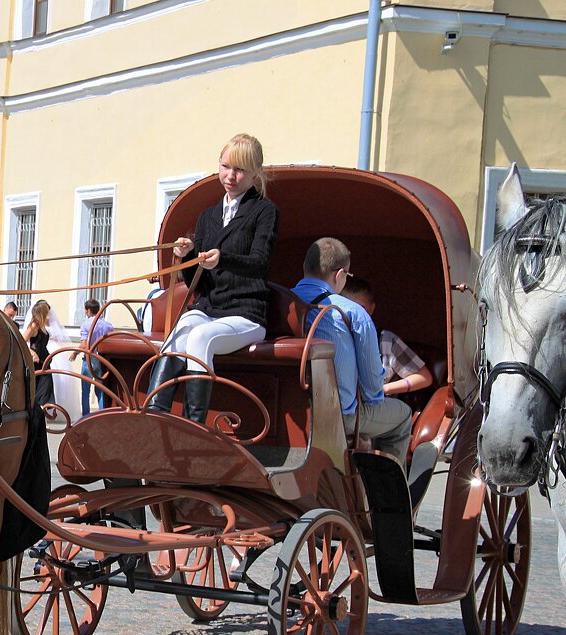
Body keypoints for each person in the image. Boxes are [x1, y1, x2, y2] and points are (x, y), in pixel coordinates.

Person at [145, 133, 279, 424]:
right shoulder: (207, 216)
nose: (231, 176)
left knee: (200, 336)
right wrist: (188, 256)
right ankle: (153, 417)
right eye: (226, 166)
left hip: (247, 314)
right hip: (209, 309)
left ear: (255, 174)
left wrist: (224, 258)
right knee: (180, 331)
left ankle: (195, 425)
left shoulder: (264, 211)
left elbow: (259, 264)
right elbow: (198, 281)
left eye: (240, 170)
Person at [293, 238, 412, 465]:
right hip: (338, 417)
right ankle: (386, 497)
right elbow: (372, 390)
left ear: (305, 268)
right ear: (339, 275)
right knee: (403, 415)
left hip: (288, 410)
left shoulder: (280, 301)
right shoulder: (354, 313)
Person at [341, 276, 434, 397]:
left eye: (360, 309)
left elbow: (424, 377)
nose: (354, 315)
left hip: (375, 408)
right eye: (348, 309)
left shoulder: (386, 341)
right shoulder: (333, 337)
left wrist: (382, 389)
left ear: (371, 309)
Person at [70, 298, 115, 415]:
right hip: (101, 360)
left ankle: (85, 416)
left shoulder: (86, 325)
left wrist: (75, 353)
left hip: (89, 359)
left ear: (88, 310)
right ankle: (102, 414)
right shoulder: (108, 326)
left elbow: (84, 344)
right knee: (100, 390)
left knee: (85, 391)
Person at [23, 300, 65, 408]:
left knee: (47, 386)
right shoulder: (33, 326)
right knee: (41, 386)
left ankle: (42, 410)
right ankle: (37, 409)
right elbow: (22, 341)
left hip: (45, 360)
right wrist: (33, 353)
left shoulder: (43, 326)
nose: (49, 314)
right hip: (37, 361)